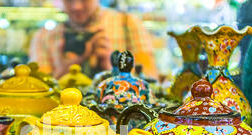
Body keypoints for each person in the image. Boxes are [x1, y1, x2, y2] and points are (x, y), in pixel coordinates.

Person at [28, 0, 159, 79]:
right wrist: (64, 71)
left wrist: (112, 65)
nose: (76, 6)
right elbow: (38, 93)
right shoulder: (44, 37)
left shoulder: (127, 24)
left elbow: (151, 79)